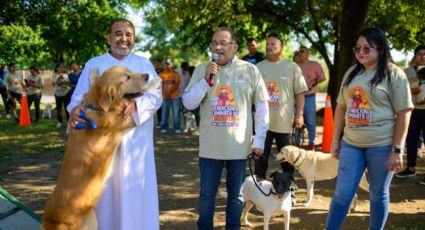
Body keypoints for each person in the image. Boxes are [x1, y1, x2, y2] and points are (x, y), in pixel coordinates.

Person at [66, 18, 162, 230]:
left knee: (134, 192)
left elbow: (156, 94)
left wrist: (137, 106)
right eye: (118, 33)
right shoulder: (94, 64)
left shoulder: (143, 64)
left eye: (129, 35)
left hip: (134, 142)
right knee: (104, 195)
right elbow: (79, 97)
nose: (124, 39)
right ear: (109, 37)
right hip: (100, 146)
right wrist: (74, 110)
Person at [326, 27, 413, 230]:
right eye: (358, 48)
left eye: (367, 48)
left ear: (381, 49)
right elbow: (341, 107)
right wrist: (336, 140)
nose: (361, 52)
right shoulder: (351, 72)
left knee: (377, 193)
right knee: (343, 193)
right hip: (351, 144)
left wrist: (397, 150)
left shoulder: (394, 75)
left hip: (382, 146)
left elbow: (404, 113)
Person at [183, 27, 269, 230]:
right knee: (206, 195)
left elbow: (263, 106)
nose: (217, 47)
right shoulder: (202, 69)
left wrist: (259, 140)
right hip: (210, 147)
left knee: (237, 196)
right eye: (214, 43)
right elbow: (188, 103)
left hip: (239, 148)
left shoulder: (249, 69)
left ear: (234, 46)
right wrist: (205, 81)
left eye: (222, 43)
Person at [254, 33, 308, 179]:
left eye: (273, 44)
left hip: (284, 123)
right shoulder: (257, 68)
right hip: (262, 124)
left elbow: (300, 93)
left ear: (281, 47)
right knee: (260, 159)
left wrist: (299, 114)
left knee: (287, 159)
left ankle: (289, 188)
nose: (269, 47)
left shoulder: (292, 67)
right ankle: (258, 187)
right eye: (267, 44)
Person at [395, 45, 425, 182]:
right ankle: (410, 168)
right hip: (412, 111)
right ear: (414, 56)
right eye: (419, 54)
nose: (423, 57)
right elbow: (403, 91)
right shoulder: (406, 72)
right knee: (411, 140)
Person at [293, 46, 326, 150]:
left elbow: (322, 78)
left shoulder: (315, 64)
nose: (300, 53)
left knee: (311, 121)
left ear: (308, 53)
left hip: (309, 97)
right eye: (299, 52)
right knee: (296, 121)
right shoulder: (295, 66)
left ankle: (311, 143)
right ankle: (296, 143)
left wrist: (313, 82)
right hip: (296, 97)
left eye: (303, 51)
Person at [159, 58, 181, 133]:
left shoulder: (176, 74)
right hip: (165, 97)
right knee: (164, 112)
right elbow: (159, 85)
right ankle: (164, 127)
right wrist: (165, 92)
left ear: (172, 64)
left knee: (176, 113)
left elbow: (177, 84)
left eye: (169, 64)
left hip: (174, 96)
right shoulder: (162, 74)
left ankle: (177, 127)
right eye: (166, 64)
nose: (167, 65)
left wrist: (170, 91)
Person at [52, 63, 71, 127]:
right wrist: (60, 78)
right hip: (58, 94)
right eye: (60, 67)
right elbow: (56, 82)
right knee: (59, 108)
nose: (62, 69)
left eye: (62, 68)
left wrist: (63, 82)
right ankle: (59, 121)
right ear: (56, 68)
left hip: (66, 93)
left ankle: (68, 121)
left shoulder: (65, 74)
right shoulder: (54, 75)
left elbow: (68, 82)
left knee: (67, 108)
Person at [153, 58, 164, 128]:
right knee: (159, 108)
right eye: (156, 64)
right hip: (156, 92)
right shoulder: (153, 71)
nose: (157, 65)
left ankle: (164, 123)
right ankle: (159, 122)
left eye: (158, 63)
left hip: (165, 92)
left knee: (164, 109)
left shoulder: (164, 71)